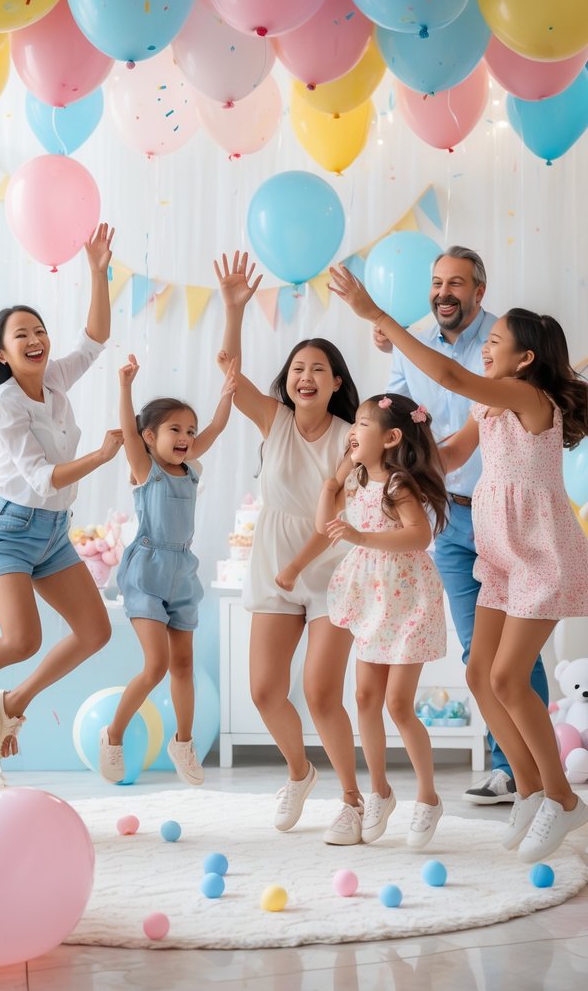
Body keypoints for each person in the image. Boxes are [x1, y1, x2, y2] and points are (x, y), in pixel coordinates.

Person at [331, 263, 588, 861]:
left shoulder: (527, 396)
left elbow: (447, 372)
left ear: (524, 360)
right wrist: (398, 478)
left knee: (506, 677)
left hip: (541, 553)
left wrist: (377, 317)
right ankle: (528, 790)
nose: (486, 350)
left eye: (496, 343)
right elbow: (450, 453)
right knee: (479, 674)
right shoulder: (491, 409)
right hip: (501, 552)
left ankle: (564, 801)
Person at [0, 224, 122, 759]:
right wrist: (99, 457)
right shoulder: (6, 404)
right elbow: (42, 478)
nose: (35, 339)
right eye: (22, 335)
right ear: (2, 354)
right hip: (9, 532)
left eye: (39, 330)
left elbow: (95, 340)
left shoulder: (57, 380)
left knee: (95, 631)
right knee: (22, 640)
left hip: (53, 534)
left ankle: (12, 703)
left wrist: (96, 271)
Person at [373, 245, 548, 804]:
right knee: (479, 654)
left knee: (516, 658)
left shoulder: (510, 343)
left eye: (456, 283)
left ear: (479, 291)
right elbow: (405, 426)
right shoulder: (412, 342)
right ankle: (513, 770)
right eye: (436, 282)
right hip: (450, 515)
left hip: (511, 524)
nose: (443, 292)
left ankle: (536, 777)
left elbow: (456, 380)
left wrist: (378, 319)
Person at [214, 250, 366, 840]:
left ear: (336, 384)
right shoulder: (273, 420)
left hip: (334, 570)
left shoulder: (355, 438)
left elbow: (341, 510)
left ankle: (352, 801)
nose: (305, 376)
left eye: (318, 370)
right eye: (298, 367)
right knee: (263, 691)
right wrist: (233, 309)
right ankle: (300, 772)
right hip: (274, 564)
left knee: (321, 692)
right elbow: (229, 369)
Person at [276, 393, 448, 849]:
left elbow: (419, 535)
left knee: (398, 704)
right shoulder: (355, 479)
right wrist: (330, 484)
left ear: (391, 438)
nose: (353, 430)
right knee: (365, 697)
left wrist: (360, 535)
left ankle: (428, 797)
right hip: (373, 599)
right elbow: (323, 522)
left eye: (363, 423)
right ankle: (379, 792)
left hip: (407, 598)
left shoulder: (398, 484)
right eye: (354, 422)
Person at [100, 352, 237, 788]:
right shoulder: (147, 471)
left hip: (182, 571)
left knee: (183, 665)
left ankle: (183, 741)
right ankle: (114, 734)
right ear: (149, 436)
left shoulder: (191, 471)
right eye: (175, 429)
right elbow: (127, 431)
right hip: (147, 569)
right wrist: (125, 386)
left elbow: (215, 430)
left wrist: (227, 394)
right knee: (156, 665)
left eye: (189, 431)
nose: (186, 437)